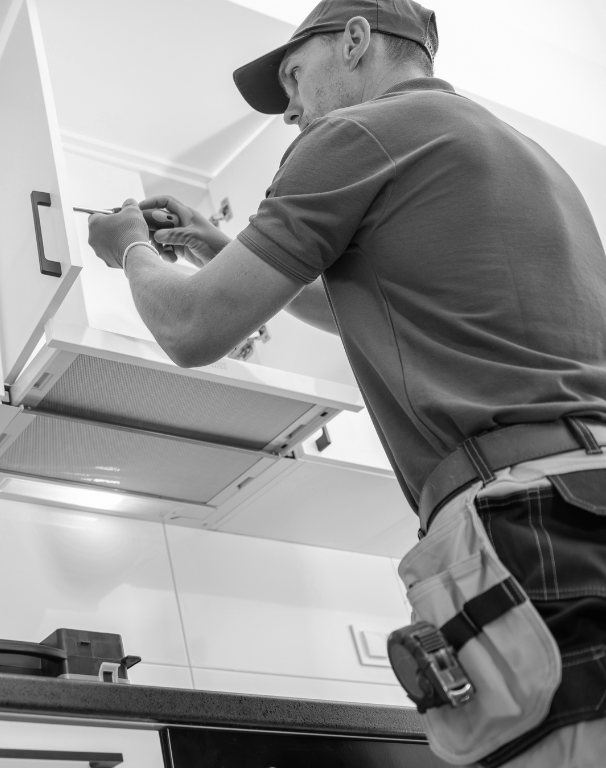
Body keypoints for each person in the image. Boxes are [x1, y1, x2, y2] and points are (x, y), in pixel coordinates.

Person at [86, 0, 606, 764]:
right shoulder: (524, 155)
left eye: (294, 78)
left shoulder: (355, 135)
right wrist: (218, 247)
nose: (291, 110)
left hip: (528, 520)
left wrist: (131, 245)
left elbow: (191, 329)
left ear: (356, 42)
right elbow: (385, 303)